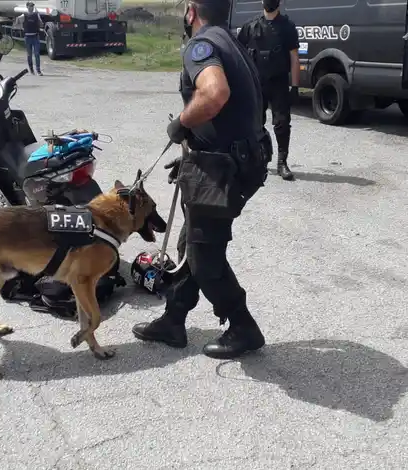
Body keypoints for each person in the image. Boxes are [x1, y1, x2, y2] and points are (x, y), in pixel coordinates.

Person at [132, 0, 270, 360]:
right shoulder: (231, 40)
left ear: (191, 11)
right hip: (237, 160)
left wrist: (182, 123)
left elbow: (214, 93)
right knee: (191, 244)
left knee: (204, 257)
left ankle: (243, 327)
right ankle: (173, 319)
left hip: (224, 168)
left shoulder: (202, 44)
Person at [237, 0, 299, 181]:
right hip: (256, 83)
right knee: (256, 124)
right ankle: (259, 161)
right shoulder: (250, 27)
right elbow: (238, 55)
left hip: (278, 82)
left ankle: (282, 163)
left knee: (282, 123)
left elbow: (294, 58)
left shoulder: (287, 26)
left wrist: (295, 86)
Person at [14, 1, 43, 76]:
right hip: (27, 37)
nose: (31, 7)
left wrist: (40, 22)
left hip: (35, 36)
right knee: (29, 55)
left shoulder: (36, 14)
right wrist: (19, 26)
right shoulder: (24, 15)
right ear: (27, 7)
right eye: (30, 6)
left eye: (32, 6)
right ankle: (31, 69)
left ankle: (38, 70)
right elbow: (17, 21)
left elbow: (41, 24)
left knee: (37, 54)